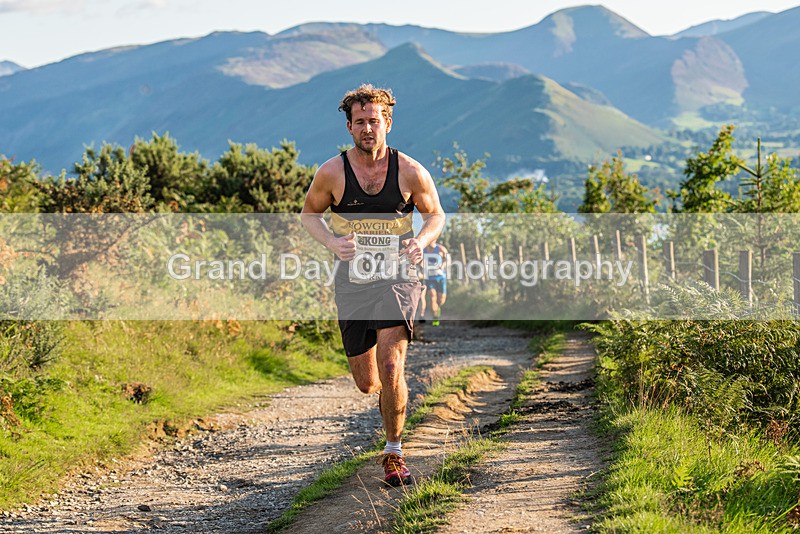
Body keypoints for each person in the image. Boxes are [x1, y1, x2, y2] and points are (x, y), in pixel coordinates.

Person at [301, 84, 445, 486]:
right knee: (368, 383)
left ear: (388, 123)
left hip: (399, 276)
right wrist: (331, 241)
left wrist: (420, 240)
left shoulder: (410, 171)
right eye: (360, 122)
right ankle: (388, 394)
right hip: (353, 280)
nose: (368, 128)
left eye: (375, 121)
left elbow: (435, 216)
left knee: (391, 363)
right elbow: (309, 214)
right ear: (349, 127)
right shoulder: (331, 172)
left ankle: (395, 453)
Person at [420, 240, 448, 326]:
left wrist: (443, 265)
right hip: (429, 278)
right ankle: (435, 317)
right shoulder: (423, 250)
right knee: (432, 296)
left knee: (441, 300)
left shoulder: (440, 248)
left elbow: (446, 258)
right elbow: (419, 262)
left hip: (440, 277)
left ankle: (437, 308)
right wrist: (422, 266)